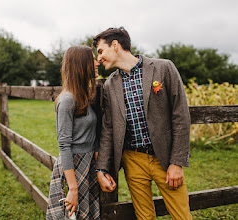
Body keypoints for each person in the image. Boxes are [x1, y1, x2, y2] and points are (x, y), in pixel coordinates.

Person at [93, 27, 192, 219]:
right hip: (132, 160)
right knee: (144, 217)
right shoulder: (109, 84)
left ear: (115, 45)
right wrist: (101, 168)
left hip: (165, 159)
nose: (99, 59)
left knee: (182, 216)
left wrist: (177, 163)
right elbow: (108, 128)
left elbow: (181, 116)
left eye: (100, 51)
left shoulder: (164, 68)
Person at [46, 46, 101, 220]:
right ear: (81, 65)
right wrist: (73, 187)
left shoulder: (85, 95)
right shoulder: (67, 99)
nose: (97, 62)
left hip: (88, 163)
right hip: (73, 168)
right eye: (92, 59)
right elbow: (64, 145)